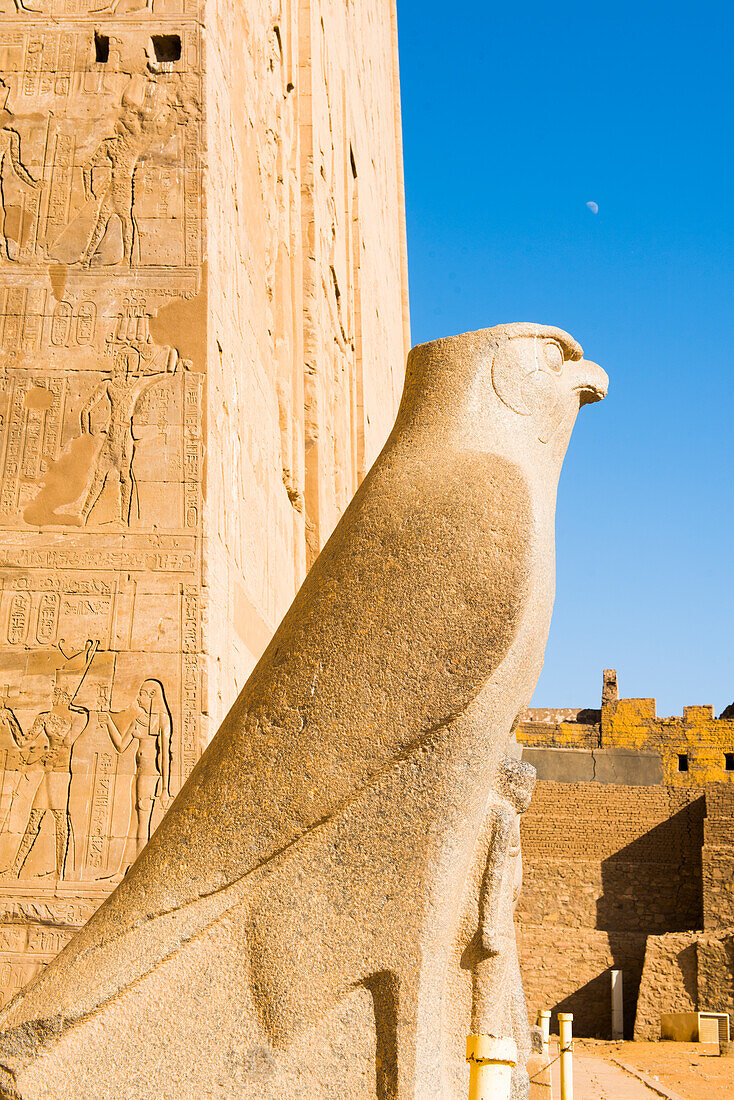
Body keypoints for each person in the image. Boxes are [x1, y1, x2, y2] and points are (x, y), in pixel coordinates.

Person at [0, 676, 88, 879]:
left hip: (59, 773)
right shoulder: (44, 717)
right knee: (35, 818)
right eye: (56, 692)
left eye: (62, 693)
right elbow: (24, 741)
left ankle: (60, 872)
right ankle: (15, 870)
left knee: (59, 819)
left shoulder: (77, 718)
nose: (57, 696)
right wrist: (10, 719)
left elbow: (65, 745)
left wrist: (37, 763)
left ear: (69, 696)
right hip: (49, 771)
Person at [98, 679, 172, 859]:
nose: (138, 699)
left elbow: (164, 755)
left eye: (142, 694)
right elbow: (121, 746)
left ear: (153, 696)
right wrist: (109, 723)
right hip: (139, 775)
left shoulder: (161, 719)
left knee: (143, 822)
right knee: (136, 822)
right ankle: (130, 867)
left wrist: (164, 789)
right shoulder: (139, 719)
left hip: (150, 776)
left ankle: (140, 867)